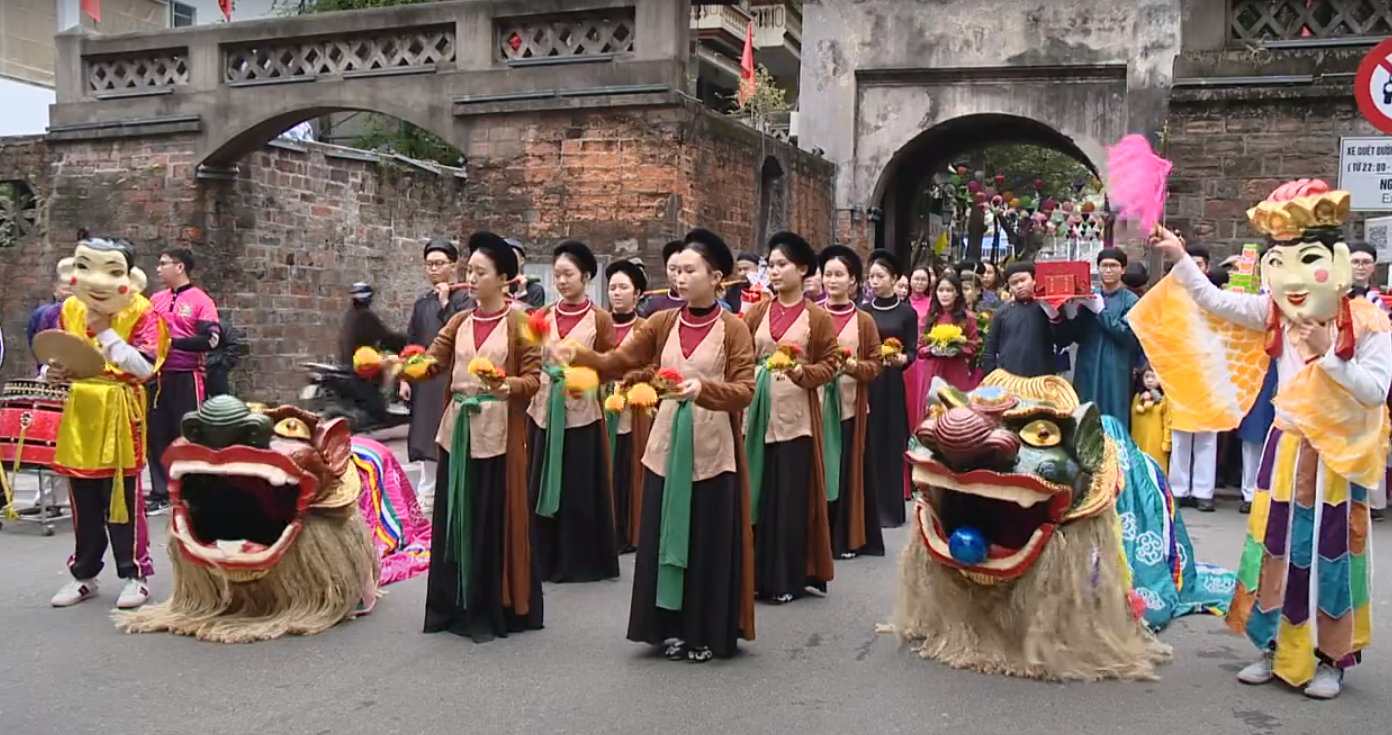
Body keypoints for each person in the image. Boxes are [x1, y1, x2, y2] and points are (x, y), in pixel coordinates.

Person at [1133, 180, 1389, 699]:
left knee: (1329, 555)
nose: (1293, 279)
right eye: (1281, 263)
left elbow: (1376, 390)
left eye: (1307, 261)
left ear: (1337, 264)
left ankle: (1329, 658)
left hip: (1336, 459)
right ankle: (1274, 647)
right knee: (1274, 551)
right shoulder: (1275, 312)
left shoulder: (1368, 323)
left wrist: (1330, 354)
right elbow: (1215, 301)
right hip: (1286, 447)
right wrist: (1179, 255)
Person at [556, 227, 756, 663]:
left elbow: (744, 390)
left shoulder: (734, 328)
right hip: (665, 444)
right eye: (676, 270)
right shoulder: (662, 322)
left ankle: (705, 631)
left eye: (690, 270)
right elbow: (620, 361)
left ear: (716, 278)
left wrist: (703, 389)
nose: (680, 278)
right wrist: (581, 356)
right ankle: (669, 626)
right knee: (664, 536)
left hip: (712, 449)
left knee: (705, 540)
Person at [410, 232, 544, 643]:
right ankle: (455, 603)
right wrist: (403, 366)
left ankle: (494, 603)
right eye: (469, 270)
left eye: (480, 272)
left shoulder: (521, 323)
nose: (470, 278)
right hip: (459, 432)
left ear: (504, 279)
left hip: (499, 432)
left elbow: (533, 378)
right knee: (456, 514)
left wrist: (507, 386)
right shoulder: (459, 321)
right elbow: (434, 361)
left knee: (492, 516)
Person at [43, 237, 168, 610]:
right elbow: (62, 353)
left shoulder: (143, 311)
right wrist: (52, 372)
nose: (97, 282)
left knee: (123, 498)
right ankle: (84, 574)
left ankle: (135, 574)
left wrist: (105, 331)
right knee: (82, 498)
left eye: (111, 271)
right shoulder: (69, 308)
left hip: (120, 409)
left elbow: (145, 367)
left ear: (130, 277)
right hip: (80, 409)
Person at [741, 231, 837, 605]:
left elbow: (829, 364)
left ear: (803, 269)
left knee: (789, 498)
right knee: (757, 493)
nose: (775, 272)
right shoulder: (757, 312)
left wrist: (802, 373)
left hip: (796, 419)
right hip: (756, 415)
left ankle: (786, 577)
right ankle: (754, 575)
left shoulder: (817, 317)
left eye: (782, 265)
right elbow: (740, 355)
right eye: (771, 265)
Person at [526, 240, 620, 583]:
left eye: (569, 274)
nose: (562, 281)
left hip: (582, 413)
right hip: (544, 410)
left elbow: (611, 365)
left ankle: (579, 560)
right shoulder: (541, 317)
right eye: (557, 275)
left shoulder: (600, 319)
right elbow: (527, 358)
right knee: (539, 481)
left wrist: (588, 377)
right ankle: (541, 557)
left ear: (586, 277)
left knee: (578, 487)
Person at [817, 245, 884, 559]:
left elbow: (876, 364)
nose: (832, 280)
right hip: (815, 407)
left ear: (853, 280)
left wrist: (854, 367)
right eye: (827, 274)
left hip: (850, 407)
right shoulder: (812, 315)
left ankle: (844, 537)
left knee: (845, 472)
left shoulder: (864, 321)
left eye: (839, 275)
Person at [145, 248, 221, 515]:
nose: (158, 268)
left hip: (187, 376)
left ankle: (191, 490)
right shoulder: (155, 300)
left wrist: (171, 343)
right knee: (156, 435)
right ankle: (160, 491)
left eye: (163, 263)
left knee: (188, 434)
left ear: (180, 267)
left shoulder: (200, 300)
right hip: (156, 377)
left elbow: (211, 340)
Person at [403, 238, 472, 513]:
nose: (433, 269)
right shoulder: (422, 302)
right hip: (426, 380)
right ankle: (427, 495)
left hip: (452, 378)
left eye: (439, 263)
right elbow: (412, 340)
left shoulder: (464, 299)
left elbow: (463, 333)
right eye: (429, 264)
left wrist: (445, 303)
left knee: (451, 436)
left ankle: (454, 494)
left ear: (453, 266)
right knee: (425, 436)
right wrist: (405, 377)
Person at [864, 249, 919, 527]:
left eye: (880, 276)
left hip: (893, 383)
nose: (874, 281)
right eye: (871, 276)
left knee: (891, 441)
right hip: (868, 381)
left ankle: (891, 510)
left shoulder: (907, 313)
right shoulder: (864, 311)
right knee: (868, 442)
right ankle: (867, 511)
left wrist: (903, 359)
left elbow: (913, 350)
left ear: (894, 278)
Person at [604, 259, 651, 553]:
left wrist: (632, 380)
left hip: (634, 410)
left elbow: (655, 366)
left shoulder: (645, 329)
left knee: (627, 467)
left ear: (637, 294)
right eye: (612, 288)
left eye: (623, 288)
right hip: (601, 405)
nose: (617, 293)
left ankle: (627, 531)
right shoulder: (600, 325)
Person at [1066, 248, 1141, 428]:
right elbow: (1076, 335)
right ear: (1098, 268)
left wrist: (1100, 311)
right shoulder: (1089, 297)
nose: (1108, 270)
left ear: (1123, 269)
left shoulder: (1131, 300)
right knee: (1085, 411)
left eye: (1113, 266)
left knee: (1114, 412)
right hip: (1088, 363)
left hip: (1116, 366)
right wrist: (1070, 310)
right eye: (1104, 266)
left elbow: (1128, 335)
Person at [980, 262, 1071, 377]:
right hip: (1008, 378)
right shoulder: (1002, 312)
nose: (1019, 286)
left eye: (1023, 280)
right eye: (1014, 283)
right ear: (1009, 288)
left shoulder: (1048, 307)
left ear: (1034, 280)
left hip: (1041, 378)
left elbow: (1064, 340)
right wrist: (992, 376)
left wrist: (1054, 316)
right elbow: (990, 349)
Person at [339, 282, 408, 418]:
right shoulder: (366, 316)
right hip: (362, 364)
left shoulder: (351, 315)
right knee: (394, 363)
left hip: (350, 362)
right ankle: (393, 400)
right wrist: (406, 343)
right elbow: (387, 337)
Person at [920, 274, 980, 392]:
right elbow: (919, 348)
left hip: (956, 370)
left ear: (957, 293)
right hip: (933, 371)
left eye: (949, 290)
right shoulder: (928, 318)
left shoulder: (967, 318)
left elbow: (973, 348)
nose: (944, 294)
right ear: (936, 293)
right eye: (941, 290)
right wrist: (931, 349)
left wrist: (958, 349)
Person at [903, 265, 935, 433]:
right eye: (916, 279)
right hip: (907, 355)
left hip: (925, 358)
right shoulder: (903, 302)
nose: (920, 283)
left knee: (922, 398)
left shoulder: (933, 304)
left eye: (924, 279)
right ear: (910, 280)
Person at [1129, 363, 1171, 468]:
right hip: (1139, 442)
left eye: (1153, 377)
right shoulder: (1137, 397)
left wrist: (1167, 442)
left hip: (1157, 446)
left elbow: (1167, 422)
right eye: (1147, 376)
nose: (1150, 380)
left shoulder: (1164, 400)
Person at [640, 240, 689, 316]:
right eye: (672, 268)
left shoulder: (704, 304)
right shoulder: (654, 306)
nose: (677, 274)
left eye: (687, 269)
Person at [504, 237, 546, 308]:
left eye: (512, 257)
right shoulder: (493, 288)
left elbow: (534, 314)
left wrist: (521, 293)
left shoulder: (535, 290)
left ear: (521, 260)